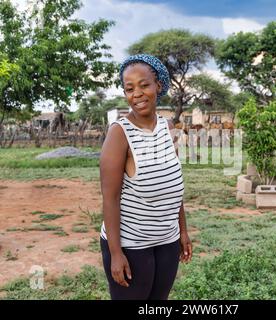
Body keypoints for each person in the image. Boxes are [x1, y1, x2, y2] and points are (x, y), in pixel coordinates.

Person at [99, 53, 192, 300]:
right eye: (129, 89)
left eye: (144, 85)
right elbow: (110, 198)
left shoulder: (167, 128)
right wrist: (116, 253)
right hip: (131, 245)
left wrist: (182, 231)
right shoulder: (119, 134)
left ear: (158, 86)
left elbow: (172, 184)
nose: (137, 94)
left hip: (167, 240)